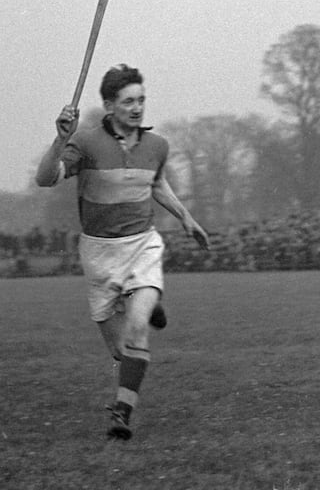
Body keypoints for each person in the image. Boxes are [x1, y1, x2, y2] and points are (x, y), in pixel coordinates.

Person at [35, 64, 209, 440]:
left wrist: (186, 219)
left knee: (135, 333)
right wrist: (58, 140)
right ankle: (143, 306)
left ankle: (122, 411)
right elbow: (45, 179)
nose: (137, 107)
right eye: (128, 101)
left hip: (142, 244)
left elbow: (157, 184)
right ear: (109, 105)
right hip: (98, 254)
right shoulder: (85, 142)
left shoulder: (157, 146)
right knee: (121, 353)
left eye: (141, 100)